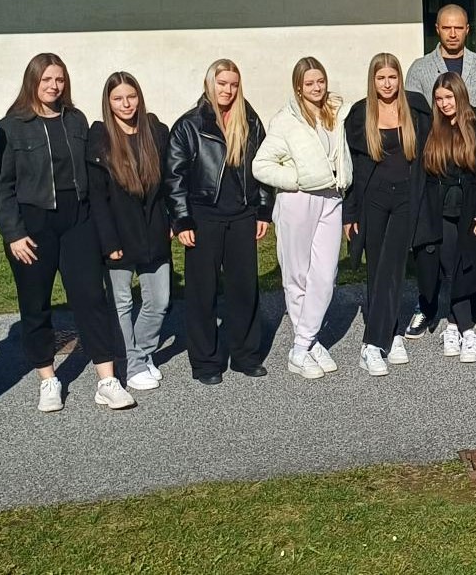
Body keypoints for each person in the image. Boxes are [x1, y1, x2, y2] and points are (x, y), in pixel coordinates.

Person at [0, 54, 133, 411]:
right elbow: (1, 188)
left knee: (91, 298)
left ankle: (107, 380)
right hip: (33, 225)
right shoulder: (11, 126)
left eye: (59, 79)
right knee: (35, 304)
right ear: (33, 81)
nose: (54, 86)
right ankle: (48, 379)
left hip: (77, 220)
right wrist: (13, 233)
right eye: (46, 80)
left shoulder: (75, 120)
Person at [167, 59, 273, 384]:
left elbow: (263, 167)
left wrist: (263, 209)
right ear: (209, 84)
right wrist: (182, 220)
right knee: (203, 293)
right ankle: (206, 363)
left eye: (233, 84)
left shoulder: (250, 121)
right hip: (204, 217)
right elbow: (174, 177)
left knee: (244, 289)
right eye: (222, 83)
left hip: (242, 216)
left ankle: (246, 356)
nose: (227, 90)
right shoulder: (189, 125)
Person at [252, 57, 352, 380]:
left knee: (325, 274)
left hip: (331, 198)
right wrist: (296, 180)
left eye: (320, 81)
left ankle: (303, 343)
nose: (316, 87)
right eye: (309, 83)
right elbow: (261, 165)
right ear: (298, 87)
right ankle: (307, 344)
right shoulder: (285, 121)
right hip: (298, 200)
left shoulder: (334, 114)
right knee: (297, 275)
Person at [342, 53, 432, 375]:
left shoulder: (415, 109)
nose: (387, 84)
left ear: (399, 78)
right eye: (381, 78)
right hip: (373, 199)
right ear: (373, 80)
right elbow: (352, 168)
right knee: (377, 268)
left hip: (406, 197)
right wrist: (349, 213)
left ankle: (375, 341)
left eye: (392, 77)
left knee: (394, 266)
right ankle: (387, 334)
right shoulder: (360, 114)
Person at [88, 72, 175, 393]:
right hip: (117, 235)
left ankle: (142, 353)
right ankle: (133, 364)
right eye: (118, 99)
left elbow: (168, 185)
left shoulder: (155, 133)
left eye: (131, 96)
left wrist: (171, 221)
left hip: (153, 230)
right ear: (108, 103)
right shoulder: (99, 140)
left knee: (159, 300)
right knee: (121, 303)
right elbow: (97, 198)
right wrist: (108, 241)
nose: (126, 104)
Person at [421, 73, 476, 362]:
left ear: (460, 96)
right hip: (441, 209)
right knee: (450, 266)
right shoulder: (432, 131)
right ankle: (466, 329)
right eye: (439, 99)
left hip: (471, 208)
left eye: (449, 97)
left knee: (466, 265)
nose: (444, 104)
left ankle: (456, 326)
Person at [405, 5, 476, 122]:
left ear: (467, 29)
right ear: (437, 29)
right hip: (435, 133)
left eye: (458, 28)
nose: (452, 34)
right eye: (446, 28)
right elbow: (410, 113)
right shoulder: (419, 68)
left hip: (473, 133)